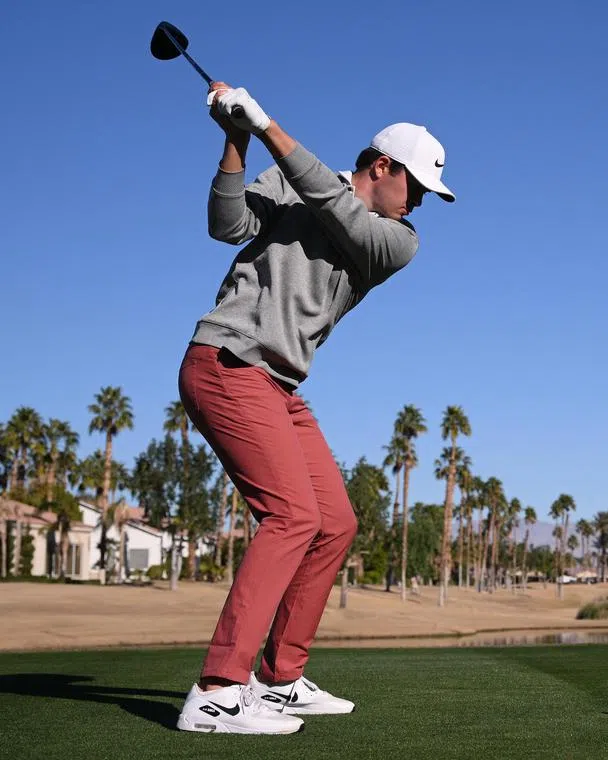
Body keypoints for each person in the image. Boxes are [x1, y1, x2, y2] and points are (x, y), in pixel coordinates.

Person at [174, 83, 455, 735]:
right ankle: (217, 691)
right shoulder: (294, 177)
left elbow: (337, 209)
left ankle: (278, 681)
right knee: (293, 516)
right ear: (381, 167)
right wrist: (237, 140)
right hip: (228, 361)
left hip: (277, 383)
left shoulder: (397, 241)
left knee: (334, 522)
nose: (418, 205)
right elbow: (227, 226)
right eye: (414, 188)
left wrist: (266, 123)